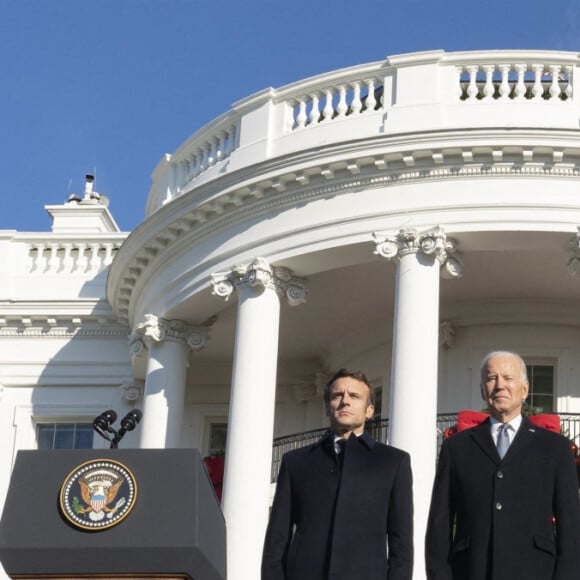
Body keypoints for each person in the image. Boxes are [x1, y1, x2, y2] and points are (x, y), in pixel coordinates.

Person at [425, 350, 580, 580]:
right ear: (481, 390)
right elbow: (440, 525)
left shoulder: (555, 448)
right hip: (471, 570)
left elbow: (571, 529)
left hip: (536, 572)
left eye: (508, 378)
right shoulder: (456, 447)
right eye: (491, 378)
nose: (499, 385)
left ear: (524, 389)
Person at [261, 368, 413, 580]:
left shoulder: (393, 462)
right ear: (327, 407)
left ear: (370, 410)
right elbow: (276, 539)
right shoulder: (296, 462)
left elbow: (401, 544)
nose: (345, 401)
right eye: (337, 395)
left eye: (354, 396)